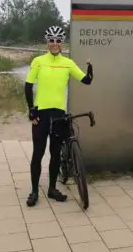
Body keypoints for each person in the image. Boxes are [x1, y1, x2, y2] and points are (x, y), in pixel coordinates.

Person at [24, 25, 93, 207]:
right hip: (41, 114)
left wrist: (90, 69)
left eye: (58, 41)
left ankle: (52, 189)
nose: (55, 44)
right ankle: (34, 191)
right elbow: (28, 86)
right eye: (51, 40)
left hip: (58, 116)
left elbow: (85, 80)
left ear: (62, 43)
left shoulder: (68, 63)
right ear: (47, 42)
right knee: (37, 154)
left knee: (55, 154)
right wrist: (31, 110)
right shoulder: (38, 61)